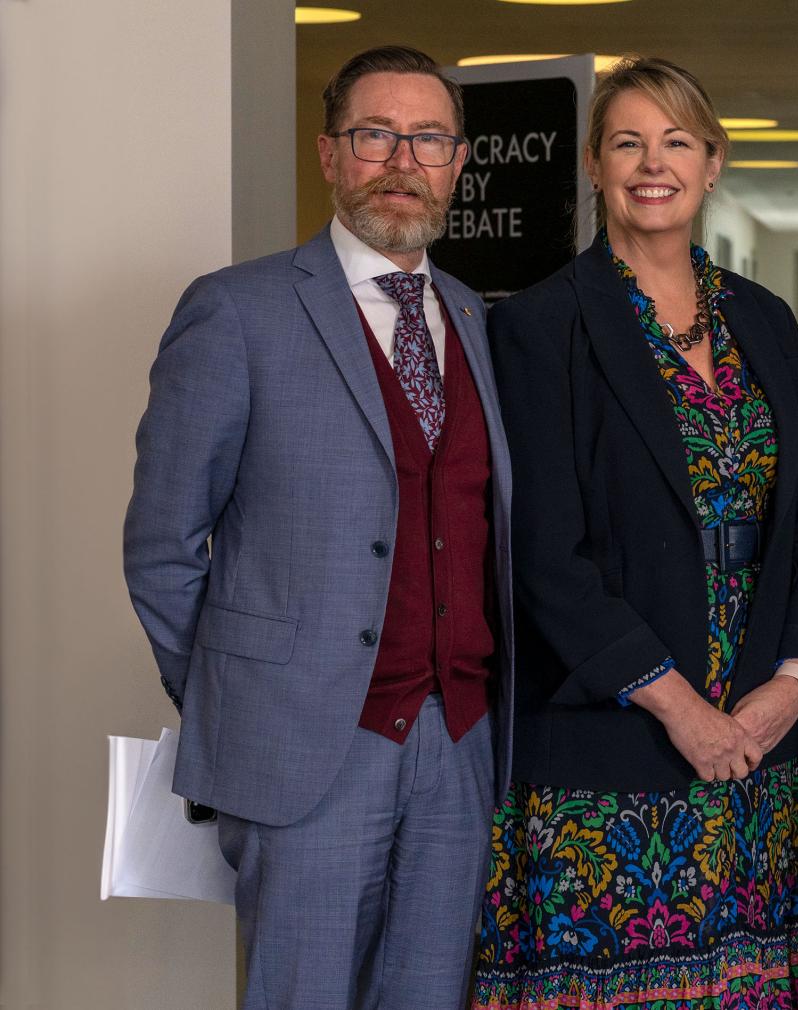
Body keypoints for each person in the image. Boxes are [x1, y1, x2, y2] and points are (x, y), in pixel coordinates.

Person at [124, 44, 509, 1009]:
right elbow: (162, 545)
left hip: (459, 743)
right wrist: (238, 696)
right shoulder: (237, 312)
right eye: (375, 134)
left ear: (459, 162)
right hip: (303, 747)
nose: (401, 160)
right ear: (331, 154)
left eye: (427, 138)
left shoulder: (477, 319)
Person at [470, 56, 798, 1009]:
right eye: (627, 142)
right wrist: (684, 712)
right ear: (594, 165)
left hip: (754, 757)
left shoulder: (762, 319)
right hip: (610, 760)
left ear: (713, 163)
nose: (652, 162)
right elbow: (546, 557)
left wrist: (789, 690)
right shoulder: (543, 325)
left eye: (676, 141)